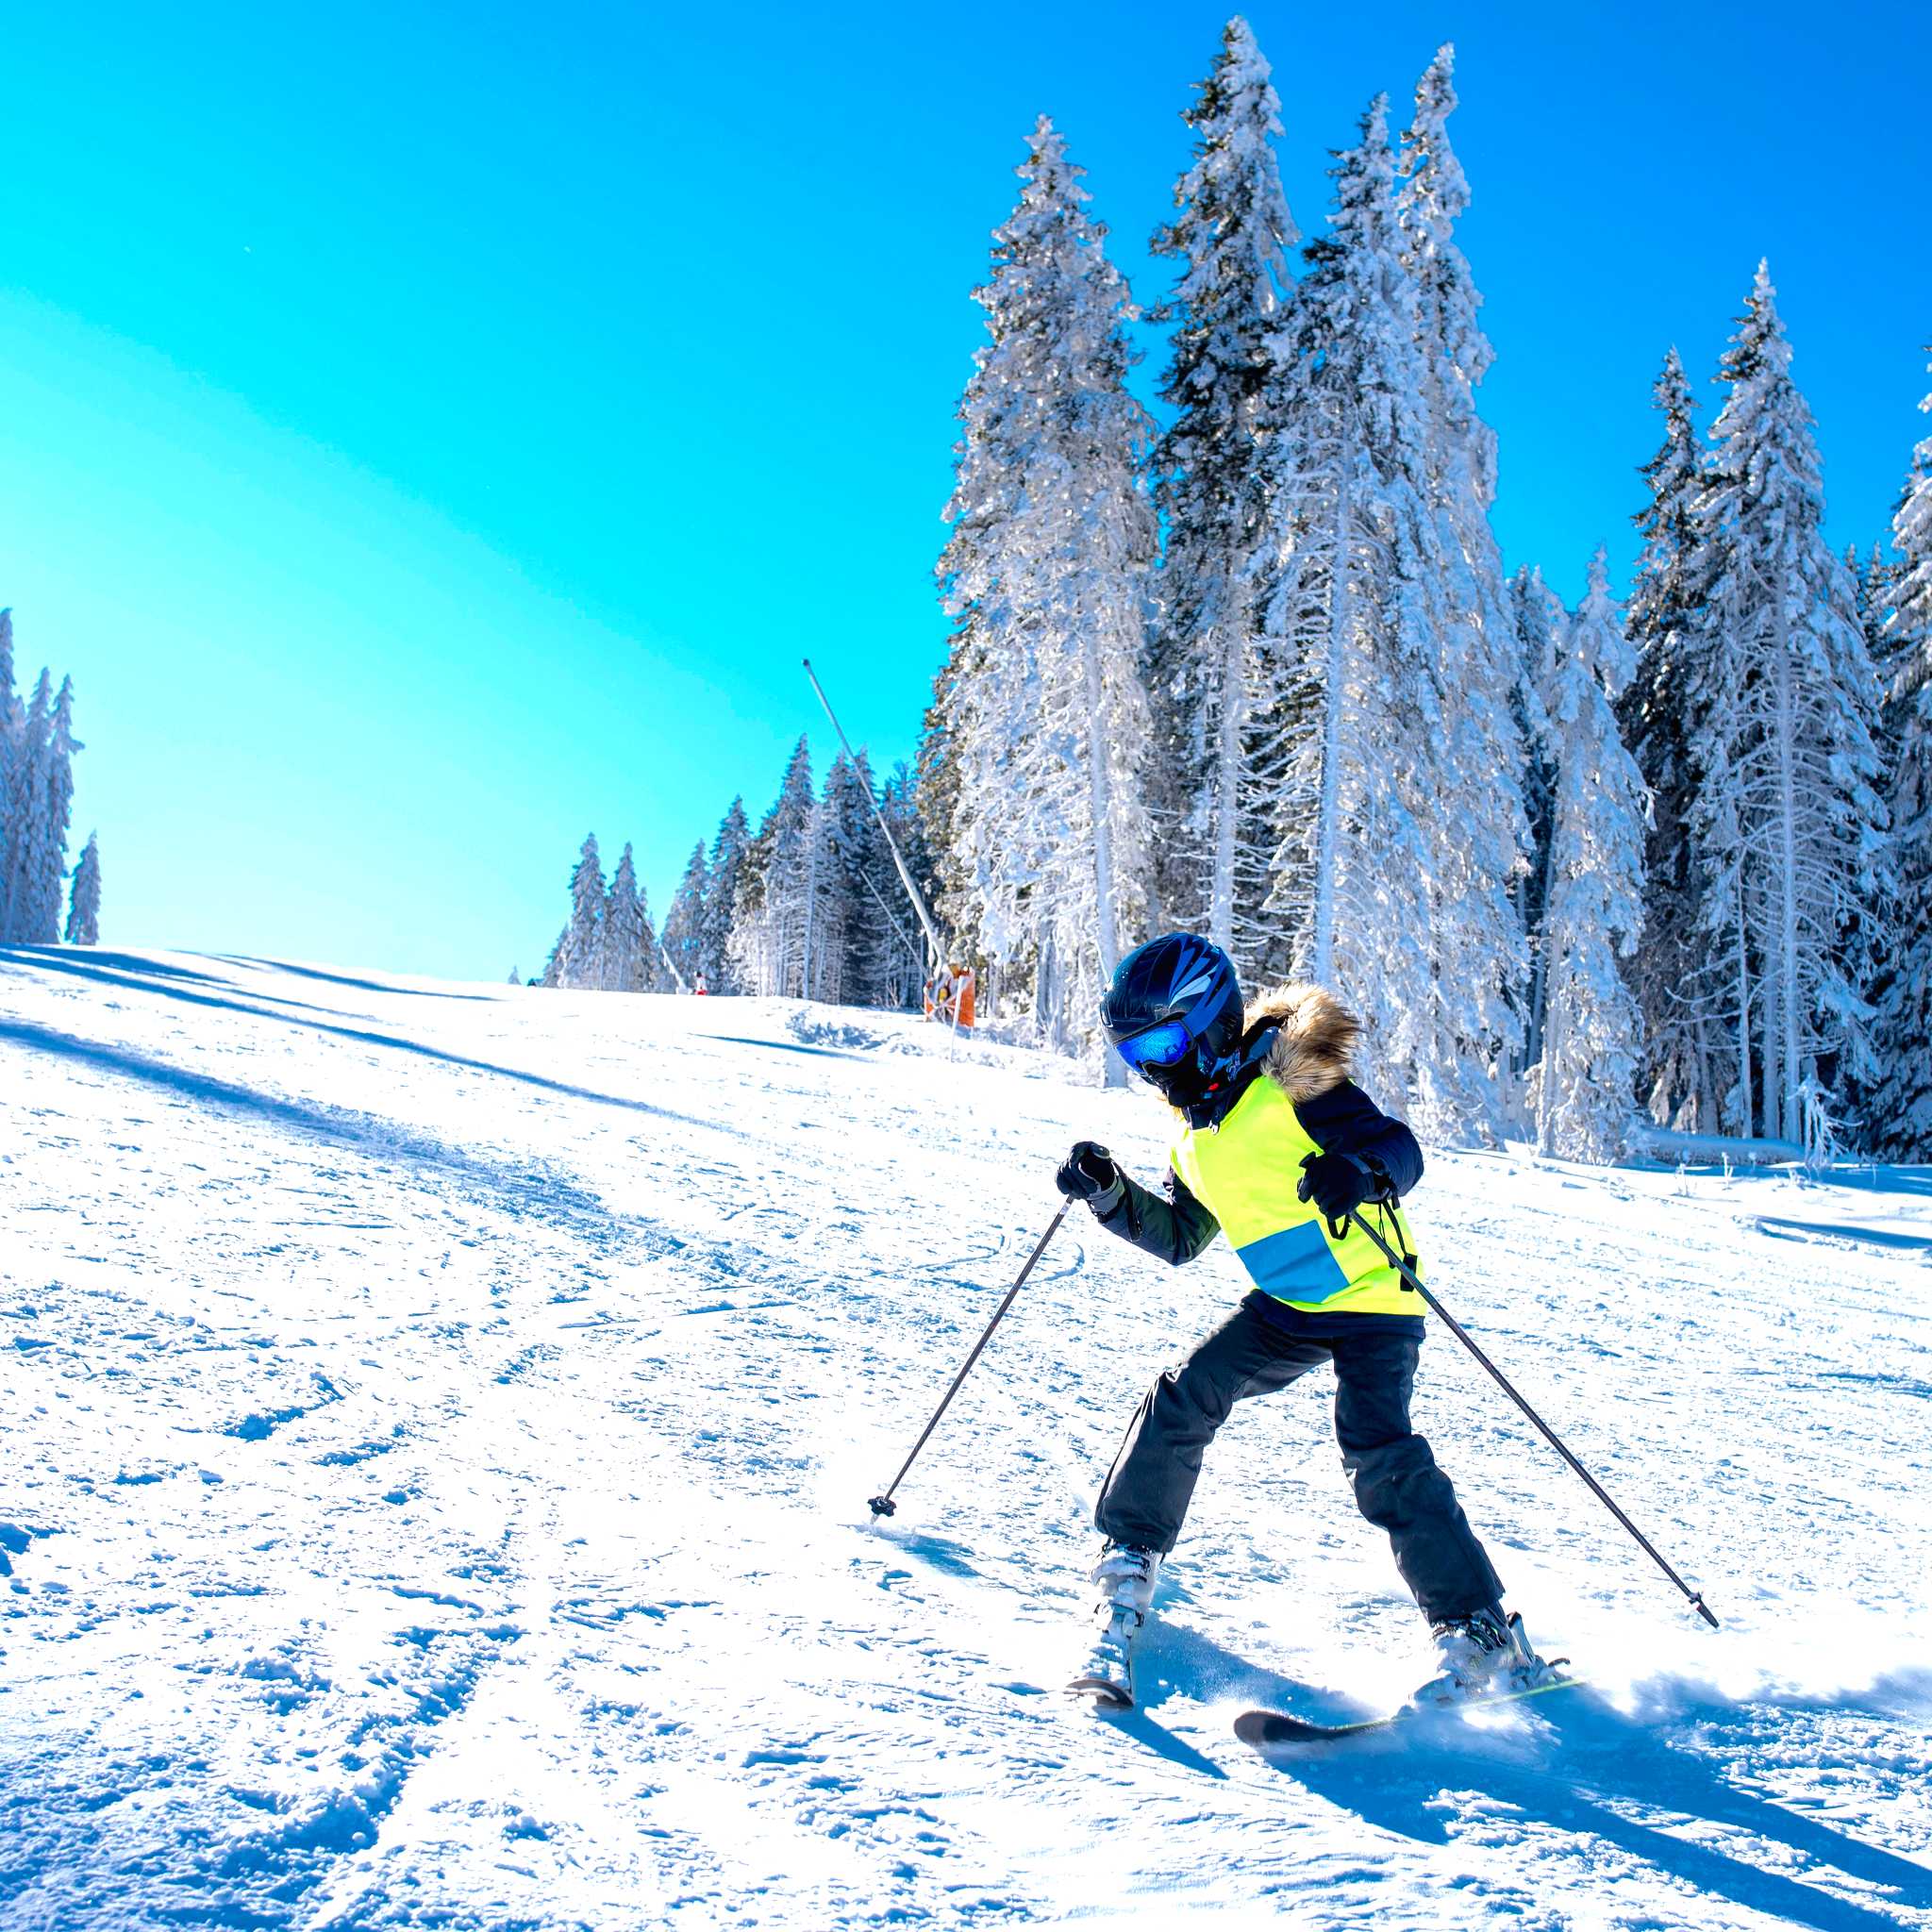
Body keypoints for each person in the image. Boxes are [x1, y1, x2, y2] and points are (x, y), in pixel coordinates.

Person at [1058, 932, 1554, 1708]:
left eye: (1160, 1045)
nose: (1150, 1069)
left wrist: (1359, 1171)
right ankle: (1126, 1565)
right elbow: (1183, 1237)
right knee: (1184, 1393)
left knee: (1377, 1447)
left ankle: (1478, 1627)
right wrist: (1110, 1195)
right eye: (1133, 1054)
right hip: (1289, 1306)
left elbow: (1400, 1148)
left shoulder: (1293, 1087)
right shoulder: (1193, 1137)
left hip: (1373, 1299)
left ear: (1210, 1022)